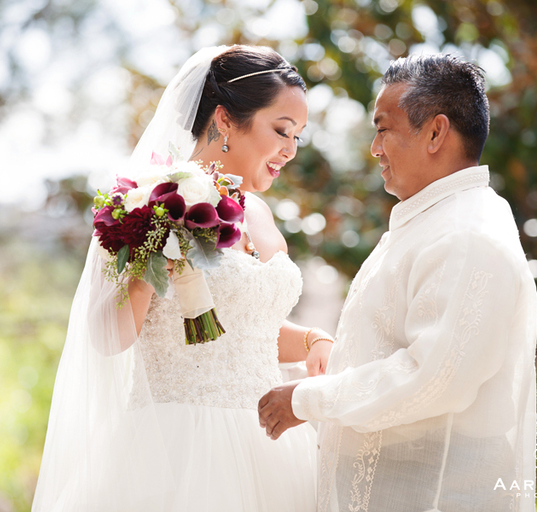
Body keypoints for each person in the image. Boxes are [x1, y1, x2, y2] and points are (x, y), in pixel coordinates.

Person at [32, 45, 334, 512]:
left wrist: (313, 339)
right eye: (281, 130)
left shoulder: (261, 214)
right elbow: (108, 337)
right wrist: (151, 256)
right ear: (226, 119)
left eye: (297, 136)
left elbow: (244, 330)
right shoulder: (150, 199)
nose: (290, 150)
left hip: (269, 443)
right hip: (176, 450)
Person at [258, 54, 537, 512]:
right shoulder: (429, 223)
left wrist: (307, 400)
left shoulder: (468, 234)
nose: (374, 148)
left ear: (436, 133)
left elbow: (433, 378)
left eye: (383, 128)